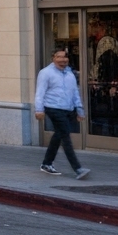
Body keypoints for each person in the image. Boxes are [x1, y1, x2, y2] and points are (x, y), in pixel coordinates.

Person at [35, 47, 90, 179]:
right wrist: (39, 109)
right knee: (65, 136)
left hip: (68, 109)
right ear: (53, 58)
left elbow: (75, 92)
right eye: (59, 57)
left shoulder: (70, 73)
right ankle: (78, 168)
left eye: (65, 57)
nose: (62, 60)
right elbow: (40, 93)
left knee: (58, 135)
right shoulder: (46, 73)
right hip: (53, 108)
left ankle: (47, 163)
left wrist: (80, 110)